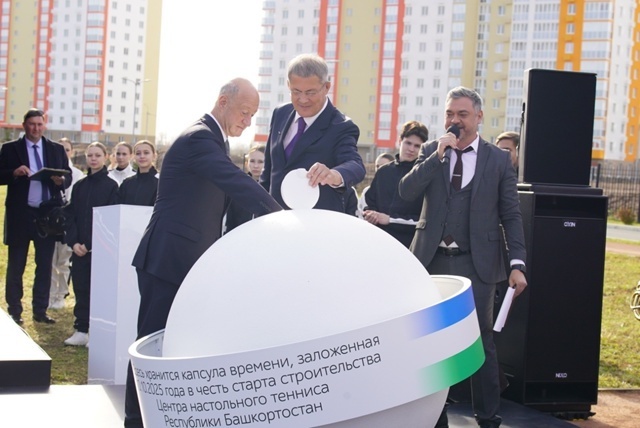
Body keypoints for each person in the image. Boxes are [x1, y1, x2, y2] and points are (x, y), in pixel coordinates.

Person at [124, 78, 283, 427]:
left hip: (188, 266)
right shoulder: (199, 138)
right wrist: (281, 217)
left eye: (253, 115)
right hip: (166, 262)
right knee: (151, 348)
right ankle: (135, 421)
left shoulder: (214, 142)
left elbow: (225, 200)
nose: (248, 121)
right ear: (223, 102)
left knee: (175, 348)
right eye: (244, 112)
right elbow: (236, 182)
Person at [398, 87, 528, 428]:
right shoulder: (432, 150)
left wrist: (517, 263)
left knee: (480, 339)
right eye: (450, 114)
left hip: (477, 262)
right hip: (431, 260)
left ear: (479, 116)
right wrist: (435, 157)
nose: (455, 120)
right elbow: (406, 192)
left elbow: (511, 214)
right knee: (430, 340)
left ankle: (488, 417)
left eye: (463, 114)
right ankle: (435, 416)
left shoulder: (497, 159)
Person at [260, 53, 365, 212]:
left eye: (310, 92)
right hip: (276, 219)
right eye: (296, 91)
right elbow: (268, 172)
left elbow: (356, 165)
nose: (303, 99)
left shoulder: (341, 126)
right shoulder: (280, 113)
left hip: (315, 222)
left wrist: (334, 174)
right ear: (288, 85)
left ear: (326, 87)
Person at [0, 108, 71, 325]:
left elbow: (67, 176)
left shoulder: (56, 149)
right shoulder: (10, 149)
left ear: (44, 125)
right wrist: (14, 173)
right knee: (16, 266)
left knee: (44, 265)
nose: (36, 128)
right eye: (32, 124)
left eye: (40, 124)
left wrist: (61, 181)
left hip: (47, 216)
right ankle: (14, 310)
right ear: (24, 126)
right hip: (20, 214)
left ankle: (40, 311)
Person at [63, 142, 119, 346]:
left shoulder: (111, 187)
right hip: (79, 250)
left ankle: (97, 331)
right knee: (81, 289)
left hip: (100, 250)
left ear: (106, 157)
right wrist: (74, 242)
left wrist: (89, 244)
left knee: (99, 291)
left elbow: (109, 218)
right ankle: (81, 329)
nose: (93, 159)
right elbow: (71, 216)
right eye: (90, 155)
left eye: (97, 155)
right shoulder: (80, 186)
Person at [363, 121, 428, 247]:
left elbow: (423, 219)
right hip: (378, 241)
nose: (411, 149)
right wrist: (370, 214)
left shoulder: (423, 176)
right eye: (408, 143)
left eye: (417, 146)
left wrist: (390, 219)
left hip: (408, 246)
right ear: (400, 141)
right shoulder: (383, 172)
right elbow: (369, 203)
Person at [49, 137, 85, 310]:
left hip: (68, 221)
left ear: (71, 152)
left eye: (67, 149)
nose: (64, 153)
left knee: (63, 262)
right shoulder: (49, 170)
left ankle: (61, 294)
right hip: (52, 221)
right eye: (60, 149)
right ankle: (50, 295)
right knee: (50, 262)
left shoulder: (77, 174)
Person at [224, 144, 265, 232]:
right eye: (252, 161)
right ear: (246, 163)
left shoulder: (272, 189)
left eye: (260, 162)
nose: (256, 166)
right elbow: (230, 223)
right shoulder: (238, 189)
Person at [119, 140, 159, 206]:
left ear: (154, 156)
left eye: (146, 153)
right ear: (134, 157)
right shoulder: (126, 184)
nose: (142, 156)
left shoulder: (160, 183)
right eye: (138, 153)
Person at [356, 152, 394, 218]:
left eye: (383, 166)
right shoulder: (367, 190)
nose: (379, 169)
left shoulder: (398, 191)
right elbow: (360, 213)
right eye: (377, 166)